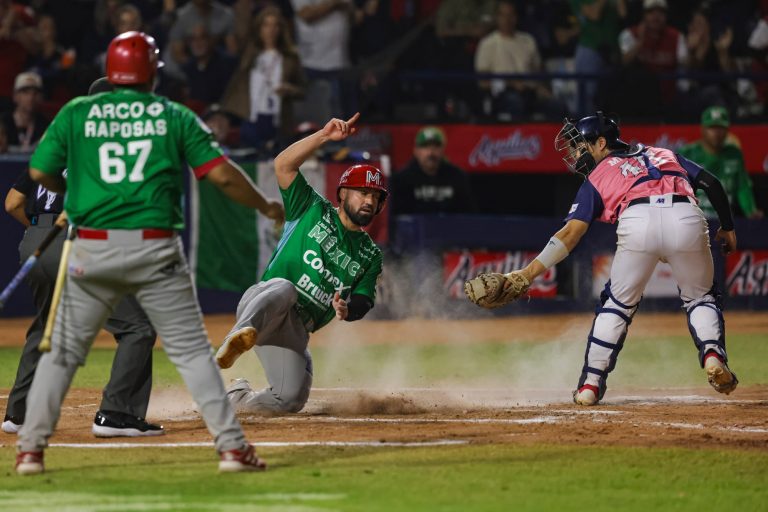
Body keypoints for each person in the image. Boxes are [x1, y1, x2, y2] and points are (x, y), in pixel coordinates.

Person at [15, 31, 284, 476]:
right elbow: (221, 176)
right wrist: (265, 205)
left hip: (91, 248)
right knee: (192, 352)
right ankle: (232, 450)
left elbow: (40, 171)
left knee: (62, 353)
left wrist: (73, 190)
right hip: (155, 250)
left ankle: (30, 451)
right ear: (151, 76)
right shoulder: (173, 115)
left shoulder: (76, 112)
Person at [488, 111, 739, 406]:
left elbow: (570, 234)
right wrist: (728, 227)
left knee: (617, 306)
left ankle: (590, 386)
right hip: (687, 216)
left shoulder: (598, 175)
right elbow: (712, 183)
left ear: (601, 143)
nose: (576, 154)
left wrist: (528, 273)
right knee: (700, 298)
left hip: (638, 219)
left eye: (580, 146)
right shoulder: (663, 153)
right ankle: (712, 356)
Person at [3, 77, 162, 439]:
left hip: (38, 241)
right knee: (137, 328)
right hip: (79, 242)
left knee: (47, 326)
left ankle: (18, 414)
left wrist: (44, 236)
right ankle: (116, 415)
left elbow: (12, 203)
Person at [216, 113, 386, 414]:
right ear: (343, 193)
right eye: (363, 193)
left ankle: (235, 398)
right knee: (286, 288)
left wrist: (348, 310)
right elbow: (283, 164)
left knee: (290, 399)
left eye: (375, 197)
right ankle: (236, 339)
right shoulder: (311, 207)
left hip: (295, 330)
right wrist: (323, 136)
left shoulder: (370, 254)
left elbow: (363, 299)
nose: (369, 202)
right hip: (266, 304)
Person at [221, 6, 305, 150]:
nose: (271, 30)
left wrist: (289, 89)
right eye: (266, 25)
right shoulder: (249, 55)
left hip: (278, 119)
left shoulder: (289, 57)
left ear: (281, 29)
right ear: (259, 28)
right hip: (251, 117)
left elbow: (302, 89)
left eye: (275, 25)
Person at [474, 0, 565, 121]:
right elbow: (482, 82)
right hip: (503, 93)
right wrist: (511, 84)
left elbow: (538, 71)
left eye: (511, 15)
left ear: (516, 17)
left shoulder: (528, 40)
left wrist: (543, 88)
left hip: (530, 91)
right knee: (515, 102)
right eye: (503, 15)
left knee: (557, 106)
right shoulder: (487, 44)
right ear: (497, 18)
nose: (507, 20)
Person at [678, 106, 763, 219]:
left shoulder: (734, 154)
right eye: (712, 128)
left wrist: (750, 211)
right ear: (703, 129)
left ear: (727, 130)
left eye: (721, 128)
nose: (717, 133)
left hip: (725, 220)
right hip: (694, 219)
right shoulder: (687, 153)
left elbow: (742, 187)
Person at [390, 126, 476, 215]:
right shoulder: (401, 179)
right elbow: (396, 215)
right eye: (425, 146)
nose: (431, 153)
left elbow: (469, 214)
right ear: (416, 151)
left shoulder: (458, 177)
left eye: (436, 146)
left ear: (443, 150)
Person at [0, 71, 49, 152]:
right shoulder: (3, 122)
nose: (31, 97)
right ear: (15, 96)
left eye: (35, 93)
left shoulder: (45, 125)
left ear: (41, 98)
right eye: (25, 92)